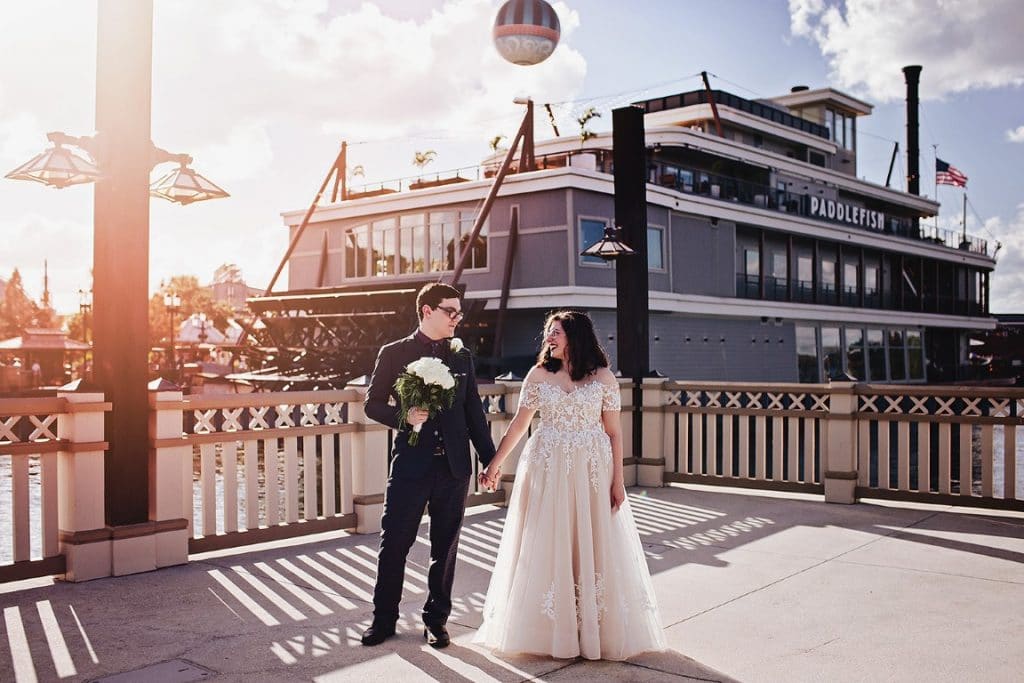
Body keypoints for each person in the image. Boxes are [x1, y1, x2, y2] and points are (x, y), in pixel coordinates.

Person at [474, 310, 666, 660]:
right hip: (546, 467)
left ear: (575, 336)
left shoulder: (603, 378)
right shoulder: (537, 374)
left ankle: (590, 629)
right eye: (548, 331)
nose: (549, 337)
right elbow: (519, 425)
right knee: (546, 539)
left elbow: (614, 433)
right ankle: (548, 630)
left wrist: (618, 482)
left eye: (557, 332)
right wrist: (493, 465)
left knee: (589, 540)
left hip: (590, 468)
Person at [361, 282, 496, 649]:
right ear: (427, 311)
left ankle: (436, 622)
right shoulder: (393, 352)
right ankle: (383, 619)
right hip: (410, 466)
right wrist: (404, 416)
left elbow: (474, 415)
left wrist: (491, 460)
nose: (458, 318)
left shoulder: (462, 356)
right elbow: (372, 405)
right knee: (394, 543)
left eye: (459, 312)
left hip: (454, 468)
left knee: (445, 548)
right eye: (451, 311)